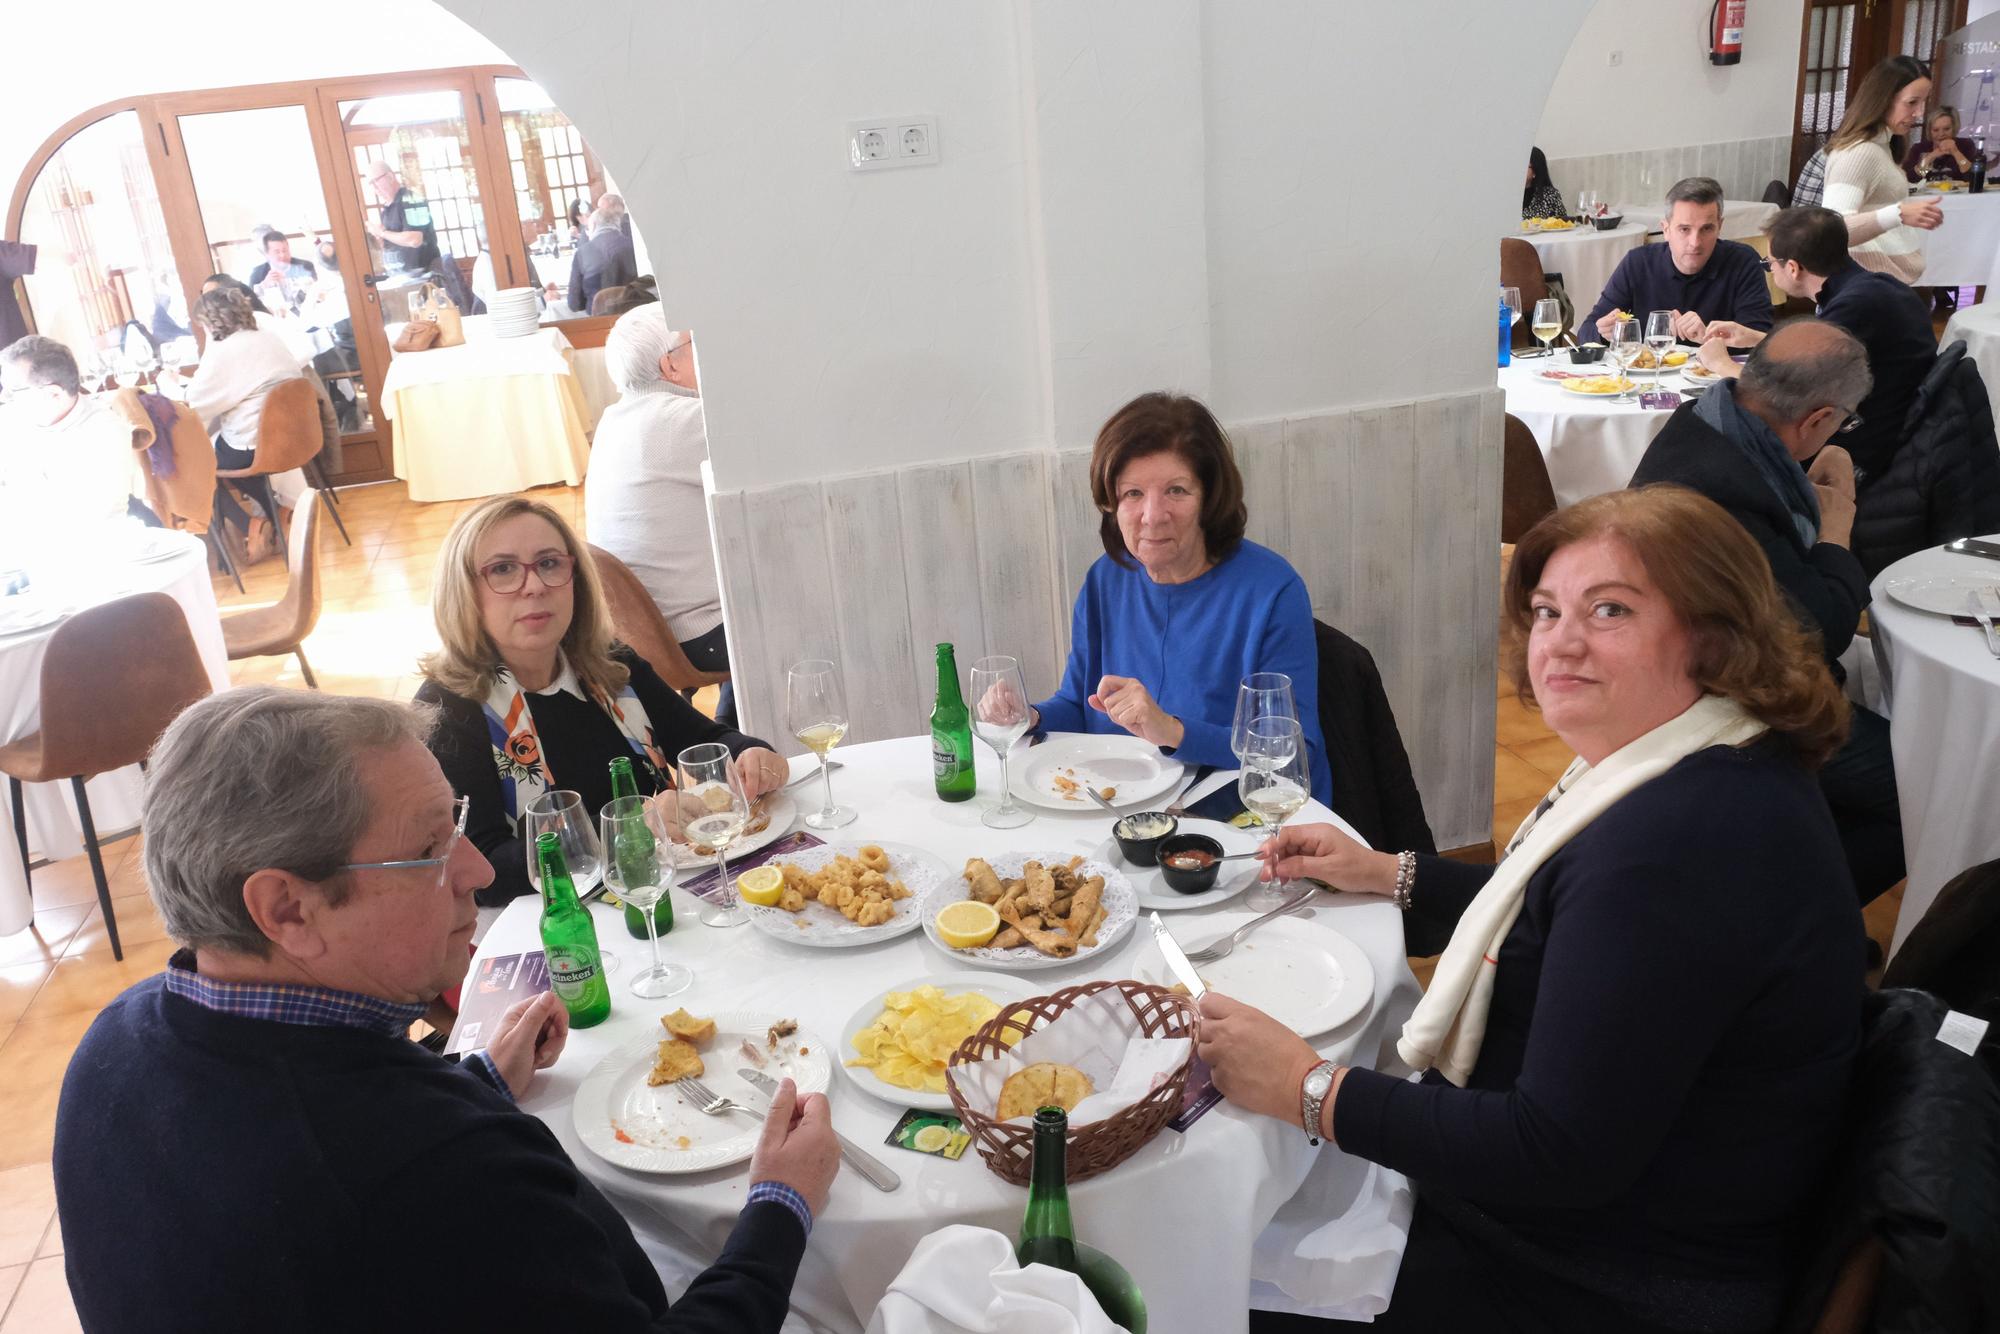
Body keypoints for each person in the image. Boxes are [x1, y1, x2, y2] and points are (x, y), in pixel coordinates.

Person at [1207, 486, 1862, 1334]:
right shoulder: (1713, 760)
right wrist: (1389, 873)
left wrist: (1308, 1088)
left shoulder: (1680, 846)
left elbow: (1555, 1152)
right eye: (1548, 610)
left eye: (1611, 610)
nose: (1561, 642)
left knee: (1203, 1277)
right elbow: (1568, 920)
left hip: (1596, 1275)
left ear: (1715, 634)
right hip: (1626, 1212)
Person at [53, 686, 838, 1333]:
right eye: (429, 847)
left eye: (457, 824)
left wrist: (478, 1081)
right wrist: (780, 1202)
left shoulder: (110, 1045)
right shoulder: (441, 1174)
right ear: (288, 910)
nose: (471, 869)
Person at [1631, 321, 1903, 903]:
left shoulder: (1707, 422)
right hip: (1726, 702)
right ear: (1816, 419)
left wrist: (1807, 469)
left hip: (1689, 668)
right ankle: (1783, 926)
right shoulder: (1726, 492)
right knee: (1919, 790)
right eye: (1841, 420)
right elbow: (1818, 632)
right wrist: (1836, 529)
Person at [415, 495, 788, 907]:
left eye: (550, 563)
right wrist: (628, 829)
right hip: (552, 928)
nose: (534, 585)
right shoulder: (448, 709)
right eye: (503, 569)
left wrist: (752, 755)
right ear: (464, 589)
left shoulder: (610, 665)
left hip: (661, 896)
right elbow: (481, 872)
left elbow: (704, 738)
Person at [986, 392, 1332, 804]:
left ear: (1208, 497)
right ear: (1112, 503)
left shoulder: (1271, 591)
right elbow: (1080, 707)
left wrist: (1171, 730)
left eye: (1176, 490)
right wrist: (1029, 717)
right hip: (1119, 810)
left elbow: (1292, 752)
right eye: (1133, 493)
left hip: (1238, 817)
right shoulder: (1105, 579)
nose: (1153, 515)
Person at [1696, 206, 1937, 486]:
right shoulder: (1877, 287)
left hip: (1865, 451)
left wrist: (1720, 364)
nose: (1770, 269)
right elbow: (1829, 353)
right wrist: (1754, 337)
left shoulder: (1853, 307)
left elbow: (1782, 394)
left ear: (1793, 268)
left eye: (1770, 264)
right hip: (1898, 431)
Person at [584, 309, 735, 725]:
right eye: (694, 345)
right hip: (693, 634)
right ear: (670, 364)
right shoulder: (683, 421)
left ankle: (729, 737)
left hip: (640, 632)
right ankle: (744, 743)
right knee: (794, 613)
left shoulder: (614, 421)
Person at [1582, 177, 1773, 342]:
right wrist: (1602, 333)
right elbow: (1586, 332)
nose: (1695, 242)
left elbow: (1761, 342)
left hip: (1718, 378)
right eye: (1684, 229)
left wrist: (1709, 336)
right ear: (1666, 229)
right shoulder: (1639, 263)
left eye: (1706, 229)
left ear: (1719, 226)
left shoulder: (1743, 262)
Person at [0, 334, 143, 533]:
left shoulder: (104, 434)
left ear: (53, 393)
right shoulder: (10, 420)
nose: (4, 397)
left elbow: (94, 519)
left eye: (12, 390)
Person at [1823, 55, 1944, 284]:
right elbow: (1834, 229)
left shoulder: (1881, 146)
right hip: (1865, 286)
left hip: (1879, 284)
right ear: (1884, 99)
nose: (1919, 113)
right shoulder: (1859, 152)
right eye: (1911, 102)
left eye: (1923, 102)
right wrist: (1897, 214)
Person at [363, 159, 441, 277]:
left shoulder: (412, 200)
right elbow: (392, 242)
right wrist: (378, 239)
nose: (375, 187)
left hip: (426, 276)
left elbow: (415, 239)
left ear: (390, 177)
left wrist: (382, 233)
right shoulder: (387, 209)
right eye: (371, 184)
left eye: (376, 181)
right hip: (402, 276)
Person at [569, 209, 639, 316]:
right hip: (633, 316)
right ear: (617, 225)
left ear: (593, 226)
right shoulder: (635, 248)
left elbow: (575, 304)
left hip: (599, 321)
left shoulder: (582, 253)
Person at [246, 229, 318, 315]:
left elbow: (320, 291)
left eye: (285, 250)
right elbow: (250, 306)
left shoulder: (305, 266)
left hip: (310, 316)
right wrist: (264, 285)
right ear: (267, 254)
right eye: (277, 252)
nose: (282, 255)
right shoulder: (257, 274)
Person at [1903, 104, 1982, 181]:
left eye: (1947, 129)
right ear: (1929, 131)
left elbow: (1972, 178)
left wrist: (1956, 152)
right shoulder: (1919, 148)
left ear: (1954, 128)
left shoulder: (1965, 145)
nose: (1941, 134)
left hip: (1956, 194)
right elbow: (1911, 180)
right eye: (1935, 130)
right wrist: (1931, 157)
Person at [1522, 146, 1567, 220]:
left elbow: (1563, 223)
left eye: (1524, 166)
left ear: (1535, 171)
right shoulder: (1506, 195)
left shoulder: (1550, 195)